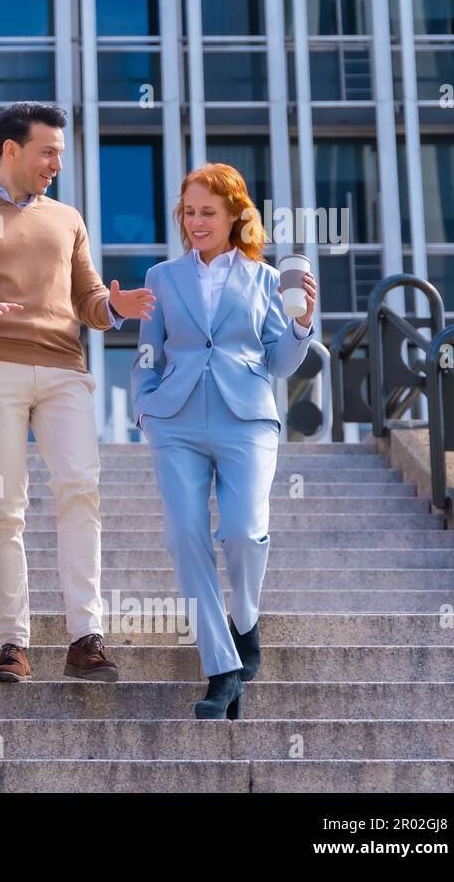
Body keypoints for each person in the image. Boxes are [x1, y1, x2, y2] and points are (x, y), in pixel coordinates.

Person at [0, 102, 154, 685]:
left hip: (64, 370)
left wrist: (113, 308)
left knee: (81, 489)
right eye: (47, 151)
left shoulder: (67, 217)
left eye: (60, 153)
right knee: (6, 504)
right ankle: (13, 642)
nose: (55, 163)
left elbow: (88, 299)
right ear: (11, 149)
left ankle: (84, 637)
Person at [131, 162, 317, 719]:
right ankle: (222, 668)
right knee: (185, 535)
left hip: (247, 419)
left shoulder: (264, 279)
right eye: (188, 212)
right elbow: (148, 351)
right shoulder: (161, 277)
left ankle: (246, 623)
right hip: (175, 419)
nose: (196, 222)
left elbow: (282, 362)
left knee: (241, 530)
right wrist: (144, 406)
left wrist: (303, 325)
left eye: (207, 212)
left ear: (236, 214)